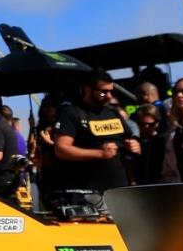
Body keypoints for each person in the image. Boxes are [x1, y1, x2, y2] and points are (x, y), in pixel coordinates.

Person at [53, 70, 140, 211]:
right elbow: (61, 149)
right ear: (88, 89)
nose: (109, 96)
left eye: (111, 91)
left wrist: (134, 146)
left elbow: (129, 140)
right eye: (103, 92)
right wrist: (99, 153)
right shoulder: (71, 112)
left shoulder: (113, 113)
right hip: (90, 193)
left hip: (121, 191)